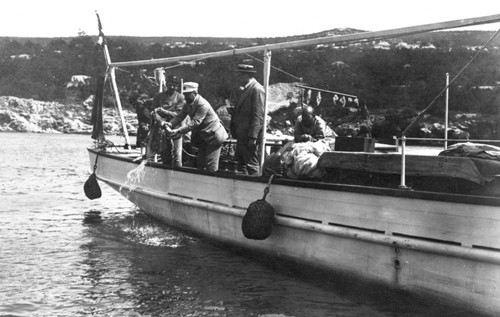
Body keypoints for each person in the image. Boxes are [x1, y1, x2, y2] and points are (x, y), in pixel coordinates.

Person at [162, 82, 228, 172]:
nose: (185, 97)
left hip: (214, 136)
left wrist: (179, 131)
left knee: (211, 165)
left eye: (187, 95)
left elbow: (195, 122)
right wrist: (170, 124)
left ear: (195, 93)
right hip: (204, 137)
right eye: (184, 94)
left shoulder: (202, 104)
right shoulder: (188, 103)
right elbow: (180, 116)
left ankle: (211, 184)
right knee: (200, 164)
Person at [230, 64, 265, 175]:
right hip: (242, 135)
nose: (238, 77)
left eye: (240, 75)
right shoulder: (247, 89)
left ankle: (255, 187)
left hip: (248, 136)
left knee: (251, 164)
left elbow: (258, 115)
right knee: (241, 164)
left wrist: (253, 137)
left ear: (246, 75)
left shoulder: (257, 89)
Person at [151, 77, 186, 166]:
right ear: (166, 85)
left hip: (175, 128)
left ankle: (178, 173)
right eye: (170, 85)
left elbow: (179, 114)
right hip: (162, 129)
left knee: (177, 155)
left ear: (177, 86)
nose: (171, 87)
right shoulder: (158, 96)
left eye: (174, 85)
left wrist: (164, 111)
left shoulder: (180, 97)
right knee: (165, 154)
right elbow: (153, 111)